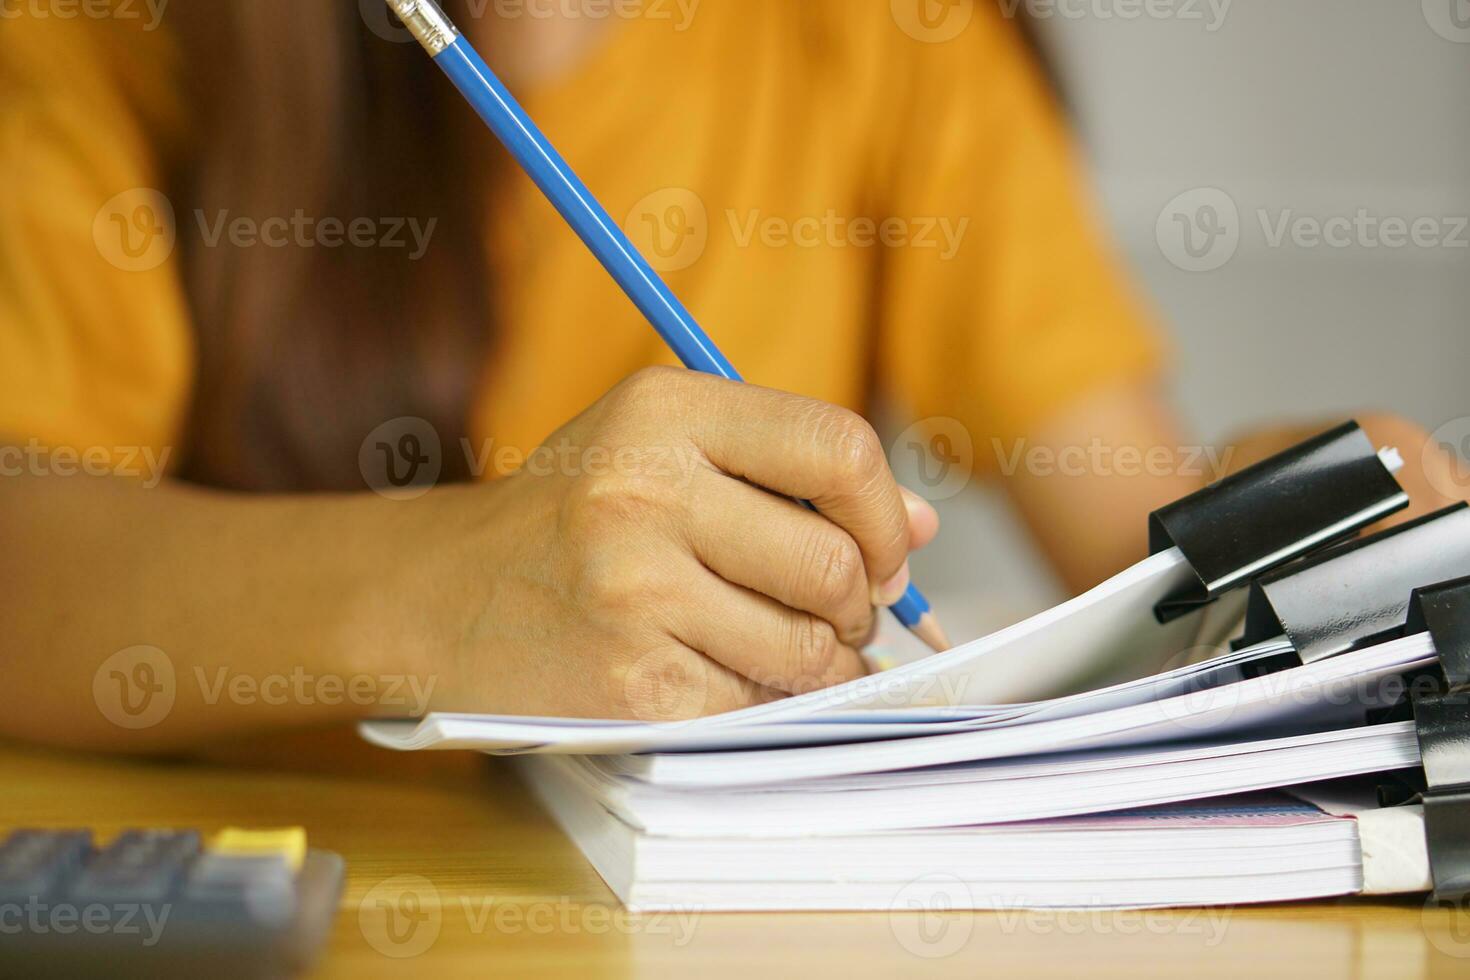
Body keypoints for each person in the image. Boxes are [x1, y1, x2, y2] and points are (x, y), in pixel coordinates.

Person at [0, 1, 1454, 752]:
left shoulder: (882, 35)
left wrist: (1293, 517)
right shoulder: (109, 35)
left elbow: (1131, 528)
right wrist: (448, 583)